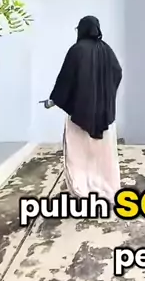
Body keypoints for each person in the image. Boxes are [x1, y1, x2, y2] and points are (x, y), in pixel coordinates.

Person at [45, 16, 122, 201]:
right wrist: (106, 96)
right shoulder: (107, 50)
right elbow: (117, 72)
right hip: (105, 116)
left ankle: (82, 192)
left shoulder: (77, 50)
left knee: (79, 156)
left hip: (80, 115)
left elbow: (66, 79)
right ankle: (108, 191)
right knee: (103, 158)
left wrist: (54, 100)